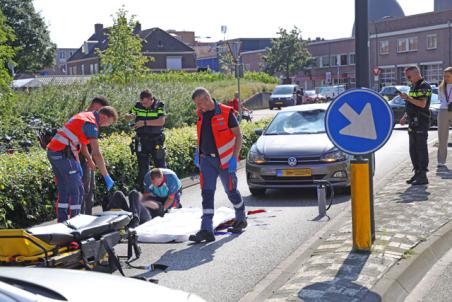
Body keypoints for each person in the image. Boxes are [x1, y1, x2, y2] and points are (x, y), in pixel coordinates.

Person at [189, 87, 247, 243]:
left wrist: (234, 158)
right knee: (207, 194)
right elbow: (204, 135)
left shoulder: (227, 113)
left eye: (199, 103)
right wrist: (198, 152)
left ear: (206, 99)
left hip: (226, 161)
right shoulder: (201, 114)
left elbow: (238, 136)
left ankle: (241, 218)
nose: (198, 107)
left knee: (231, 191)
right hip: (207, 160)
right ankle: (206, 229)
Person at [47, 106, 118, 222]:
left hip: (56, 152)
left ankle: (62, 221)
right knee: (78, 189)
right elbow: (97, 153)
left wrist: (88, 160)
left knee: (64, 188)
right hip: (63, 154)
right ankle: (75, 221)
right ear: (104, 116)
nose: (107, 126)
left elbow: (82, 144)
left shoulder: (85, 116)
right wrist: (106, 176)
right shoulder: (91, 124)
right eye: (109, 123)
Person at [103, 168, 182, 225]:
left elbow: (171, 198)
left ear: (162, 178)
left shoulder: (171, 179)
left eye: (157, 183)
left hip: (148, 217)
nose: (155, 185)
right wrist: (143, 202)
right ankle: (108, 217)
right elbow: (147, 196)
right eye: (153, 183)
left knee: (172, 208)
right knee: (121, 193)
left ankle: (135, 220)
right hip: (134, 214)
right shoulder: (148, 178)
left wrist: (163, 209)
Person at [126, 90, 166, 191]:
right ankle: (144, 191)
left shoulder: (159, 106)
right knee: (143, 169)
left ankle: (165, 190)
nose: (144, 105)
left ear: (152, 99)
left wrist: (144, 123)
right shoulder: (138, 106)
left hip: (156, 141)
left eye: (146, 103)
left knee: (161, 167)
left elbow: (161, 121)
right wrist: (129, 116)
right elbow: (129, 115)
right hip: (142, 141)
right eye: (142, 103)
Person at [399, 66, 432, 185]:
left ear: (416, 73)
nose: (408, 79)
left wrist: (408, 97)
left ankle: (423, 175)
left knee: (421, 148)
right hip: (412, 121)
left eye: (409, 76)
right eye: (406, 77)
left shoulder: (425, 86)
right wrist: (405, 116)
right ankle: (417, 172)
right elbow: (411, 104)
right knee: (412, 149)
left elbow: (422, 104)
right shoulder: (412, 86)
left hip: (421, 121)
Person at [80, 96, 110, 215]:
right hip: (80, 157)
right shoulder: (84, 118)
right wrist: (90, 159)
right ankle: (81, 217)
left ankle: (88, 215)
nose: (100, 115)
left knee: (91, 187)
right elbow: (82, 145)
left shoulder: (94, 120)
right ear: (92, 106)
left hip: (88, 156)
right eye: (98, 110)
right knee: (84, 188)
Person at [437, 67, 452, 168]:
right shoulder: (441, 87)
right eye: (444, 76)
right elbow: (441, 100)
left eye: (448, 76)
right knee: (442, 137)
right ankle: (441, 161)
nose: (446, 78)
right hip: (443, 111)